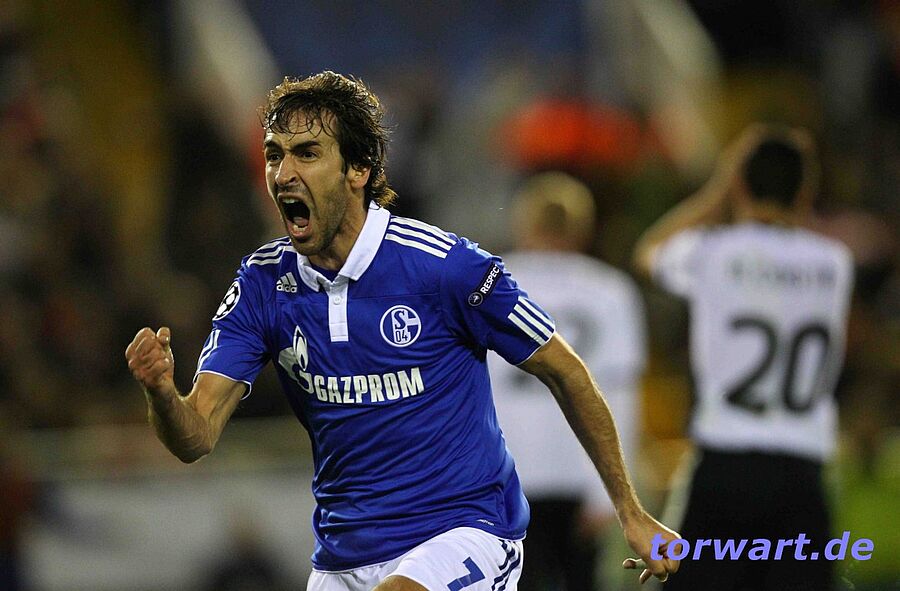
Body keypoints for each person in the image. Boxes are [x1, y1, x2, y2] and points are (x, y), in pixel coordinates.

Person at [125, 71, 679, 591]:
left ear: (358, 170)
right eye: (274, 155)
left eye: (307, 153)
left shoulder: (445, 268)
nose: (283, 173)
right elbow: (195, 437)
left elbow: (566, 371)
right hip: (343, 557)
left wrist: (629, 511)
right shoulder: (262, 285)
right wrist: (161, 392)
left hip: (467, 532)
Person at [634, 124, 854, 591]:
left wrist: (718, 191)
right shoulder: (835, 263)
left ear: (738, 184)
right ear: (805, 190)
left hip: (726, 467)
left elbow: (649, 252)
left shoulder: (713, 253)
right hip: (802, 474)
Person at [489, 172, 647, 591]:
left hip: (507, 471)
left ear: (524, 223)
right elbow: (620, 393)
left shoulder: (490, 282)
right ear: (583, 227)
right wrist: (610, 493)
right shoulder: (610, 290)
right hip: (581, 469)